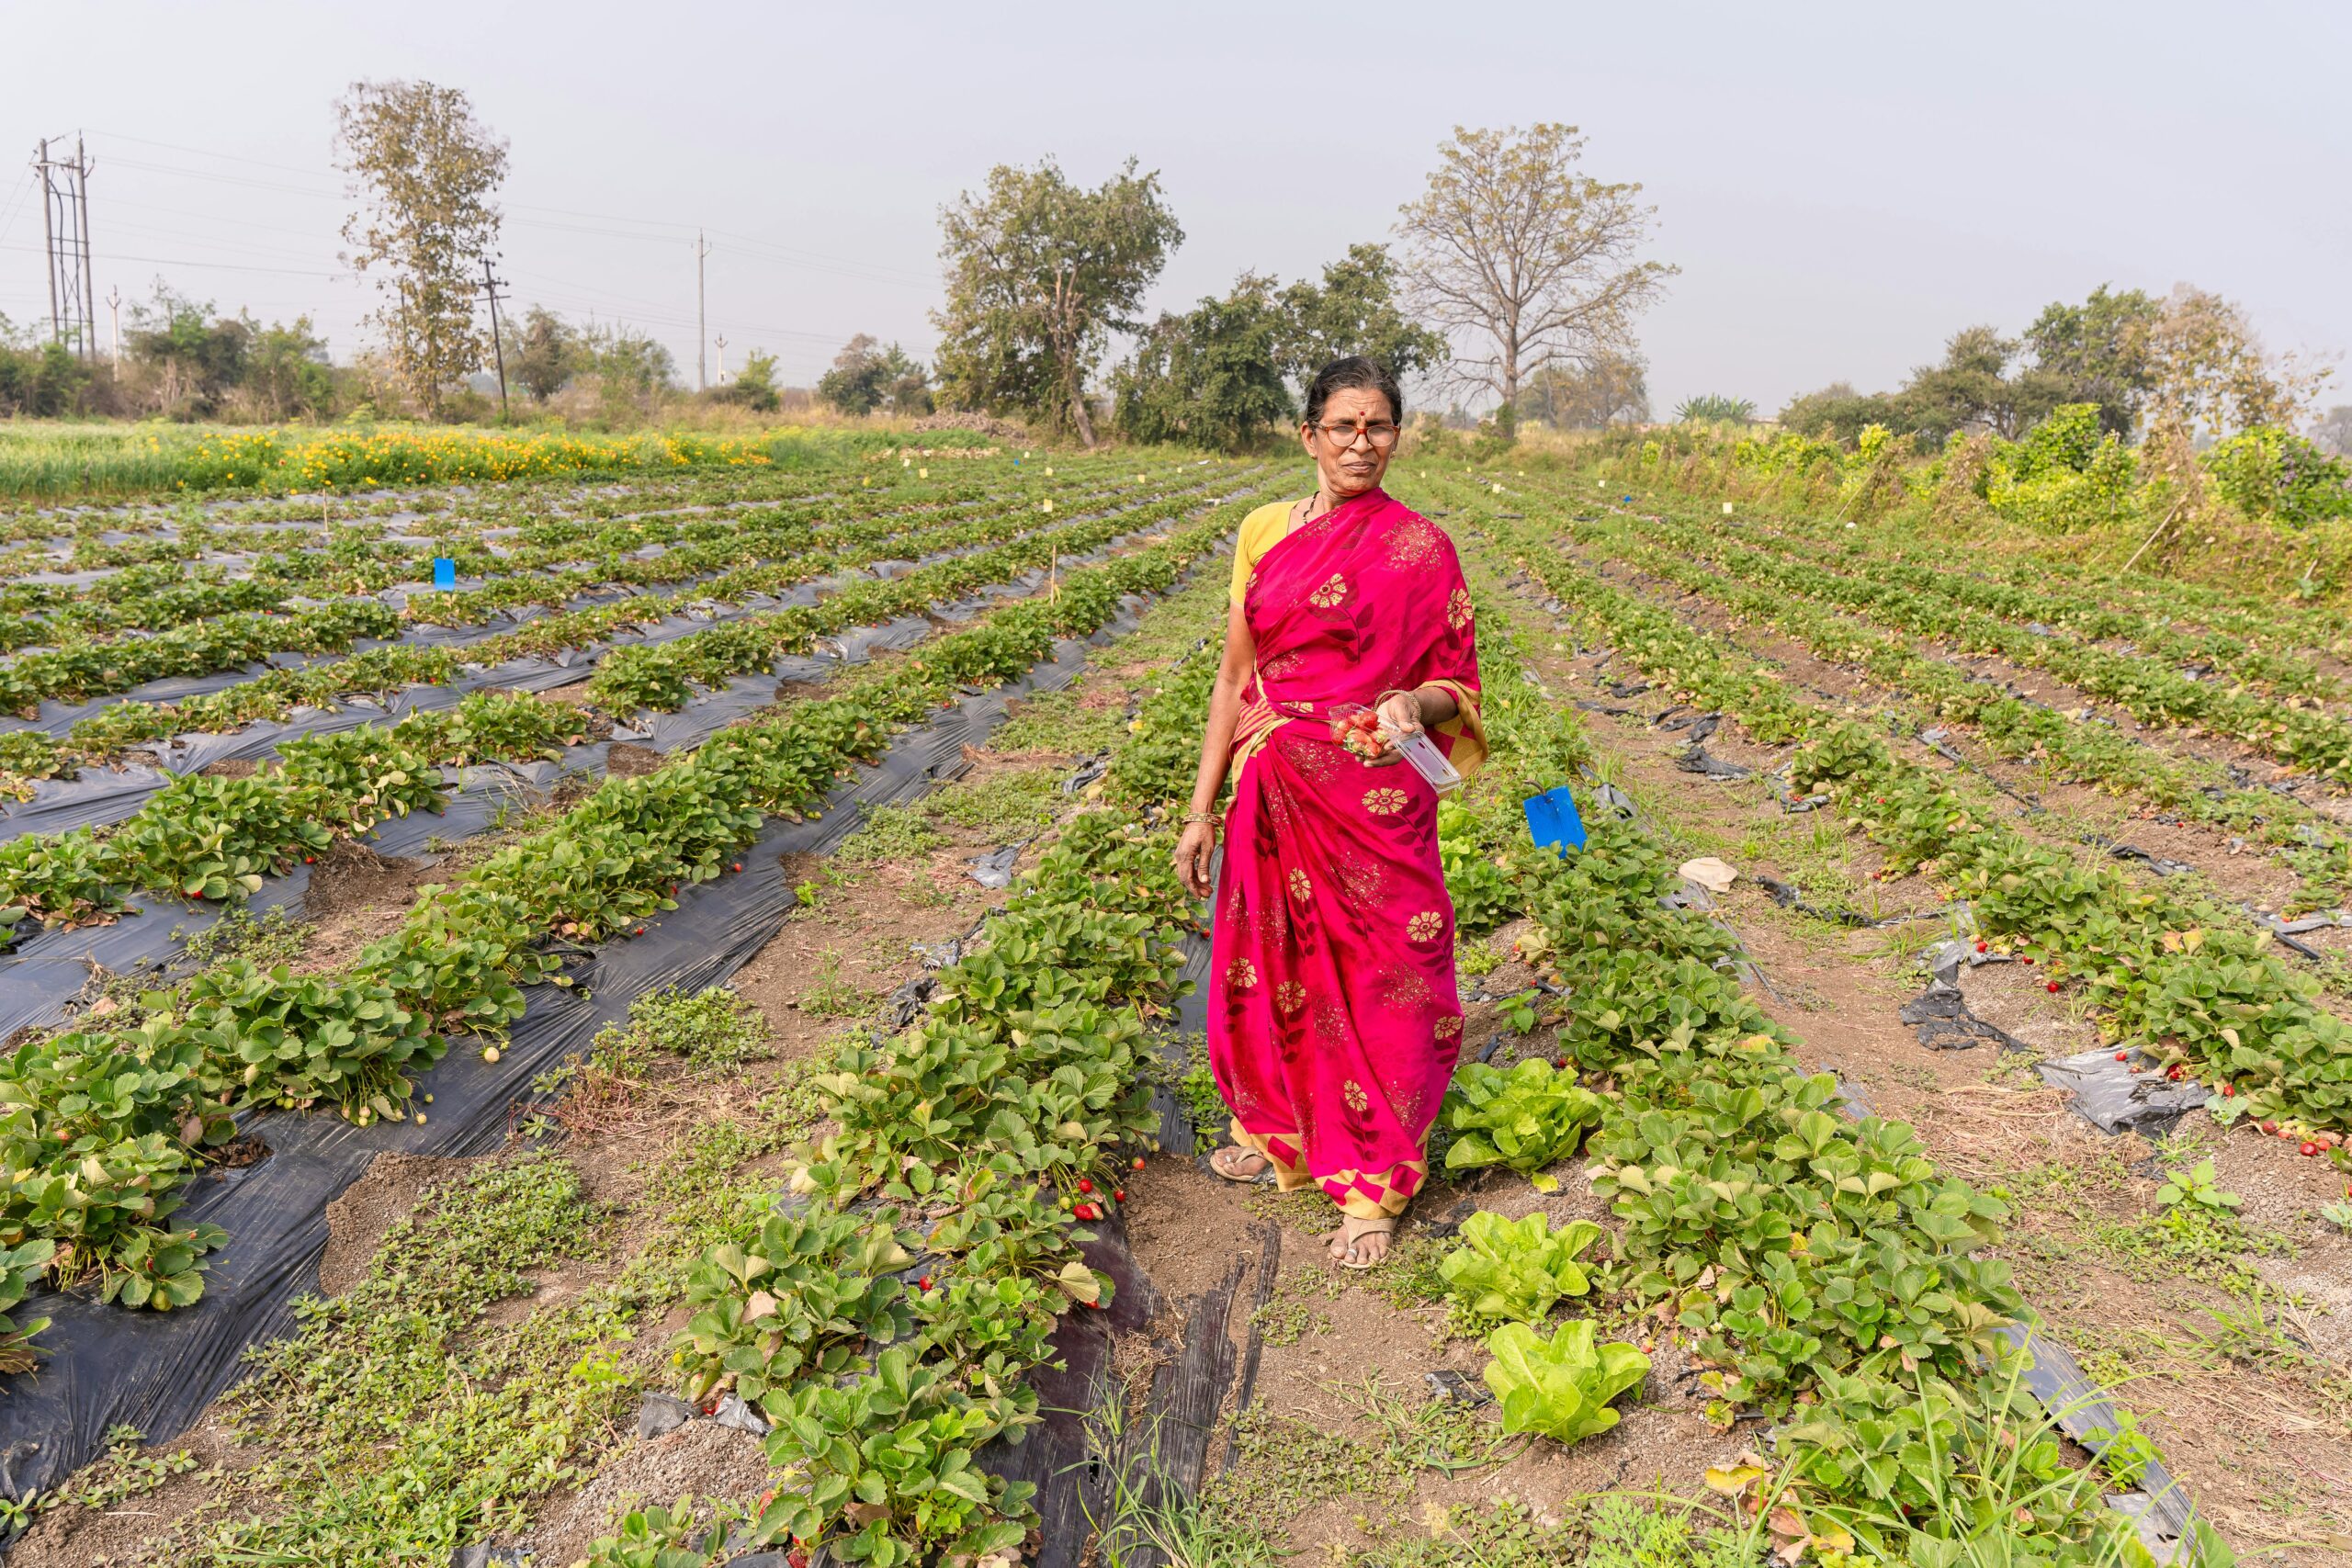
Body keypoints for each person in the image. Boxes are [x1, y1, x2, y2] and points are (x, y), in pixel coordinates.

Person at [1171, 355, 1484, 1269]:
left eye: (1377, 426)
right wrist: (1200, 811)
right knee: (1276, 966)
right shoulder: (1265, 533)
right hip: (1273, 784)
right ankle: (1288, 1137)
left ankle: (1374, 1182)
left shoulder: (1420, 548)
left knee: (1392, 969)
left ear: (1396, 435)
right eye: (1343, 426)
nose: (1361, 443)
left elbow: (1452, 681)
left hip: (1373, 792)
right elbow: (1234, 679)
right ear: (1307, 435)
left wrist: (1411, 708)